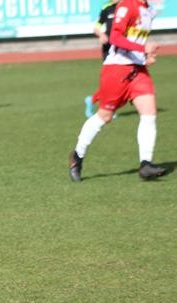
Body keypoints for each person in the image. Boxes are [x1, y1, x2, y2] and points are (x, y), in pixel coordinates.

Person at [69, 0, 167, 182]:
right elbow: (115, 37)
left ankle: (145, 164)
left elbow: (135, 39)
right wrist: (143, 48)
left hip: (138, 70)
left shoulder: (148, 10)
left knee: (149, 113)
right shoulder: (127, 5)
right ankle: (77, 156)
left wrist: (145, 56)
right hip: (116, 70)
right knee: (104, 116)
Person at [84, 0, 119, 118]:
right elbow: (97, 27)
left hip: (123, 48)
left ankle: (93, 100)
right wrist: (101, 34)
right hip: (109, 48)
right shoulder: (107, 8)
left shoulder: (128, 6)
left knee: (119, 81)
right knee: (112, 80)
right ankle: (106, 107)